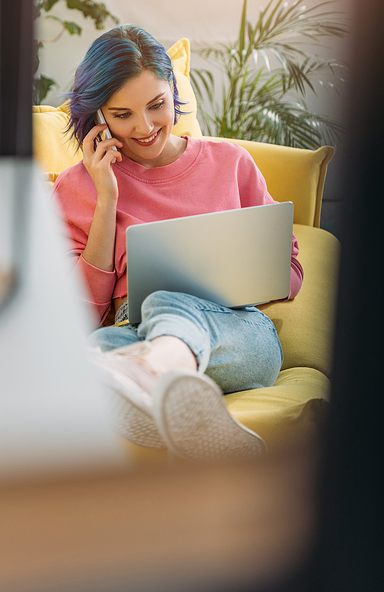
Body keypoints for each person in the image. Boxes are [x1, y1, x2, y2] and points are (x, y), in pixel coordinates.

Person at [52, 25, 303, 462]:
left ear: (173, 91)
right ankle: (171, 395)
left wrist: (243, 271)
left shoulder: (232, 163)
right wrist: (107, 197)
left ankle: (149, 373)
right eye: (122, 114)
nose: (145, 127)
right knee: (63, 363)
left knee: (165, 304)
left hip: (240, 338)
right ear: (99, 117)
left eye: (156, 105)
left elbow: (292, 273)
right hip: (133, 331)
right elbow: (79, 315)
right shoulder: (81, 186)